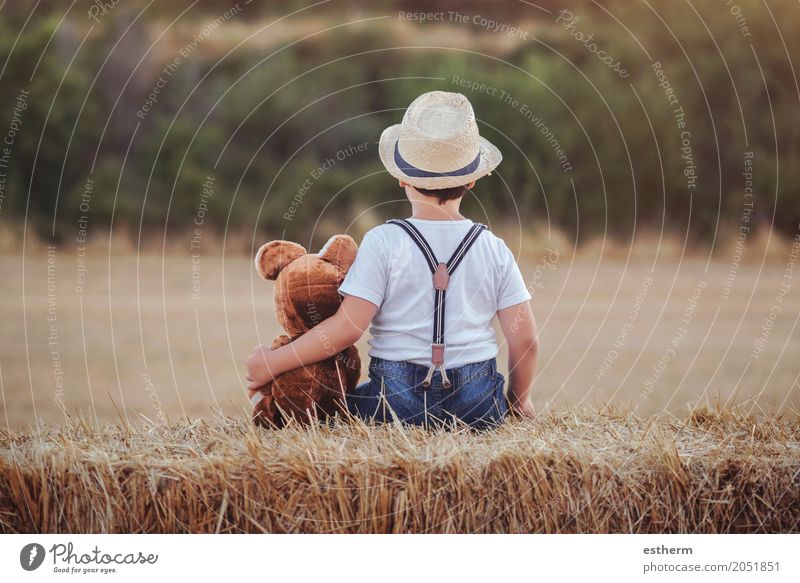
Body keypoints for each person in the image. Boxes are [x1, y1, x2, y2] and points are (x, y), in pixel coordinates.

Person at [246, 90, 538, 429]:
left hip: (395, 402)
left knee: (335, 409)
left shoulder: (383, 242)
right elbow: (526, 341)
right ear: (472, 179)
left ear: (401, 177)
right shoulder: (494, 248)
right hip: (478, 405)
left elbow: (345, 330)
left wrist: (274, 362)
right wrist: (518, 403)